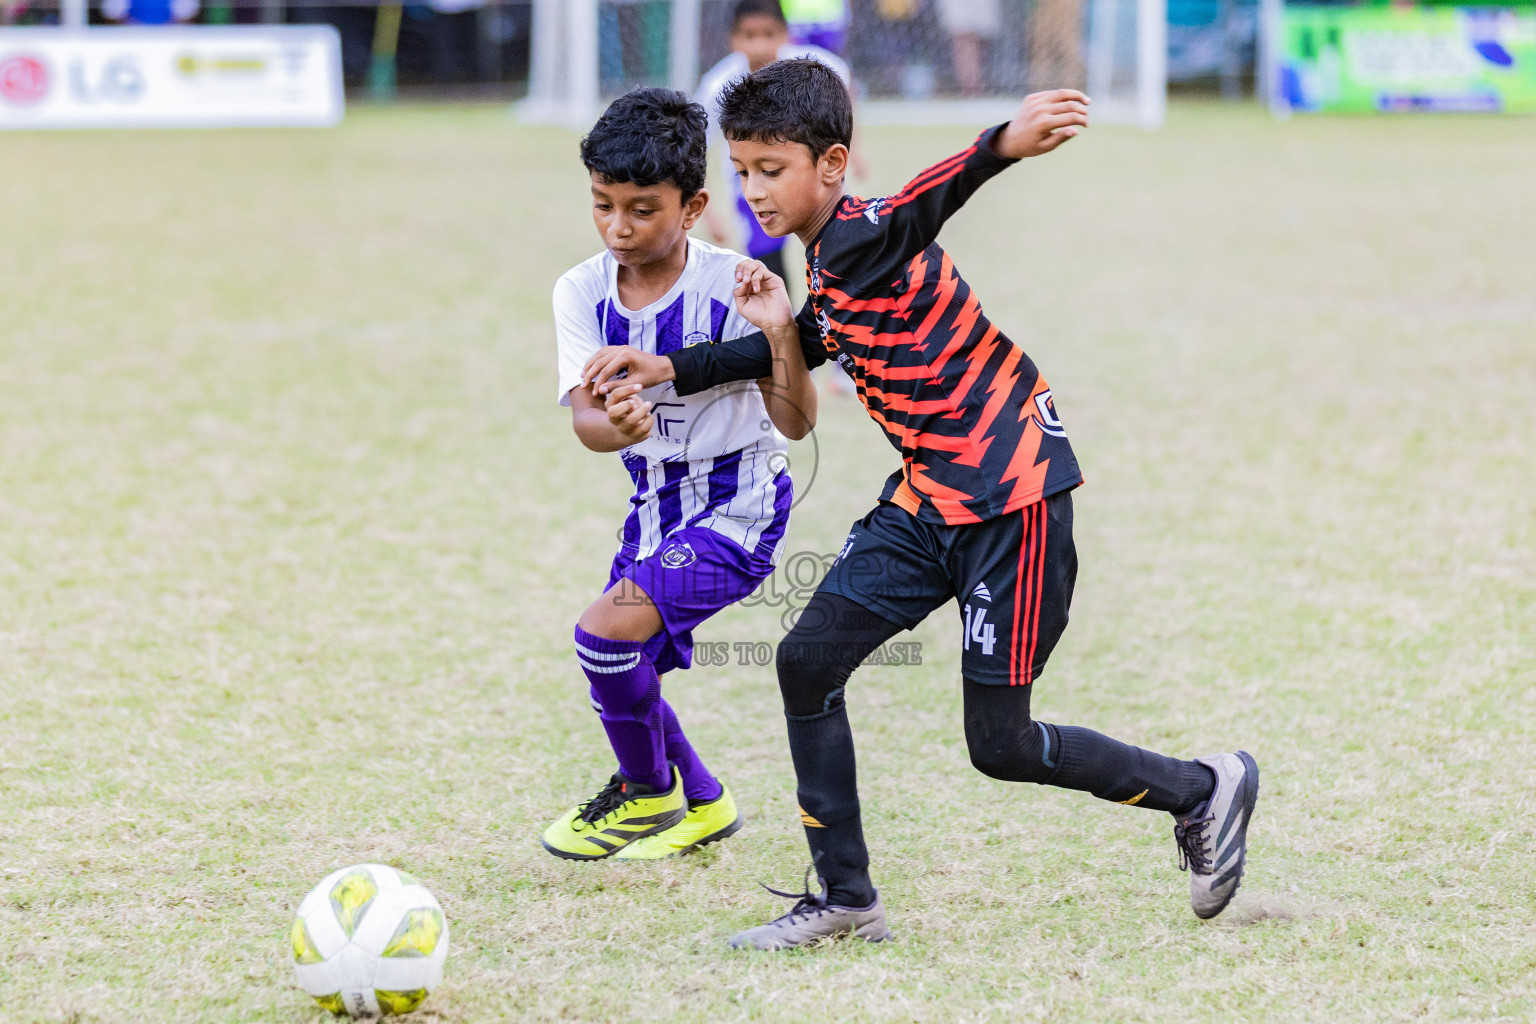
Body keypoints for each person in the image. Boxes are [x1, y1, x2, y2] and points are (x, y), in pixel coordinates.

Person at [581, 59, 1260, 949]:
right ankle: (846, 898)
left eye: (771, 168)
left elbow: (920, 204)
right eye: (741, 169)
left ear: (832, 163)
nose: (753, 188)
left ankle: (1202, 789)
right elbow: (813, 339)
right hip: (930, 500)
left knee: (1001, 745)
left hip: (1013, 499)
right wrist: (673, 365)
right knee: (807, 662)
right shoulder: (832, 264)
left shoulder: (864, 232)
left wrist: (999, 148)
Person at [543, 87, 816, 863]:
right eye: (602, 205)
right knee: (627, 662)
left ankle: (648, 794)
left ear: (693, 206)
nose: (618, 228)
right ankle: (702, 801)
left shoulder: (739, 284)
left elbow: (796, 422)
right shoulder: (580, 291)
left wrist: (777, 336)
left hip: (741, 507)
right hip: (656, 507)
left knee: (602, 635)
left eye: (642, 209)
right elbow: (587, 423)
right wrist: (616, 425)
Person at [695, 0, 851, 285]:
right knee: (770, 272)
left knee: (834, 259)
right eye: (749, 36)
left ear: (785, 34)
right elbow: (695, 149)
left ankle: (837, 322)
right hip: (754, 195)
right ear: (733, 39)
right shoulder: (718, 85)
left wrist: (857, 150)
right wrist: (709, 214)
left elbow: (844, 94)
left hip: (813, 185)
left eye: (768, 34)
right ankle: (784, 325)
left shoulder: (814, 69)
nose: (759, 46)